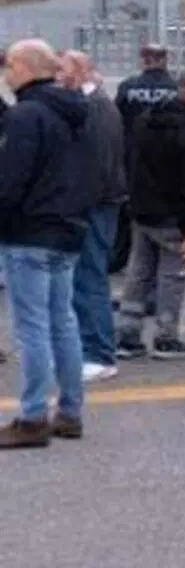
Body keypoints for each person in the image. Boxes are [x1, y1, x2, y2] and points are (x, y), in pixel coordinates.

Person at [0, 40, 94, 448]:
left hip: (29, 231)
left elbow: (11, 180)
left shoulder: (26, 115)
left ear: (23, 68)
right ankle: (70, 411)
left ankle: (33, 415)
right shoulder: (77, 113)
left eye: (8, 65)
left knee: (32, 327)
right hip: (69, 227)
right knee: (63, 322)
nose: (5, 73)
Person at [119, 67, 185, 362]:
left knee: (138, 274)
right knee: (172, 277)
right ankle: (166, 337)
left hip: (143, 210)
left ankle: (128, 335)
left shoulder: (146, 120)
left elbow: (131, 160)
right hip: (173, 216)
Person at [59, 52, 126, 382]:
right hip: (97, 203)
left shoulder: (95, 108)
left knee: (89, 278)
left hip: (93, 206)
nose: (59, 77)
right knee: (85, 279)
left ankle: (99, 353)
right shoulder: (95, 105)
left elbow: (97, 164)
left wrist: (76, 205)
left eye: (63, 71)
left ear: (83, 72)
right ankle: (93, 350)